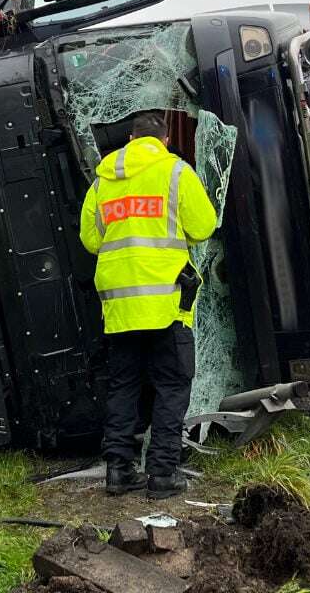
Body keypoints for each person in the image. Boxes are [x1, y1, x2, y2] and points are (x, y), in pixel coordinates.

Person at [79, 110, 217, 499]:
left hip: (120, 306)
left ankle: (119, 471)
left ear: (130, 139)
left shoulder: (102, 180)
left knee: (123, 386)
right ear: (165, 140)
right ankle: (162, 473)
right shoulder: (175, 172)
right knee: (172, 386)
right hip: (166, 303)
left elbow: (91, 241)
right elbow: (204, 226)